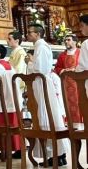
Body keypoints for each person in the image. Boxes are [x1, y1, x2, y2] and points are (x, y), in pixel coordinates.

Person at [27, 23, 68, 166]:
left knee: (48, 117)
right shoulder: (39, 46)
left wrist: (30, 62)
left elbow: (41, 69)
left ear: (37, 34)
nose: (28, 35)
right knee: (47, 117)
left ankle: (55, 155)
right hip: (40, 85)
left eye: (30, 32)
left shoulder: (42, 47)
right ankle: (56, 154)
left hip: (42, 84)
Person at [0, 44, 21, 157]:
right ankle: (18, 149)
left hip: (1, 102)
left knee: (2, 127)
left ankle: (5, 150)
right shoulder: (11, 66)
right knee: (13, 126)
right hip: (14, 102)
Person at [54, 34, 82, 127]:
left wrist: (75, 69)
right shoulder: (62, 55)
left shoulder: (81, 53)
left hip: (78, 84)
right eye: (65, 40)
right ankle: (69, 125)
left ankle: (81, 125)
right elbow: (57, 68)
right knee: (66, 103)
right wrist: (63, 70)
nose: (66, 42)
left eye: (69, 40)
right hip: (65, 84)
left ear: (75, 42)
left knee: (79, 104)